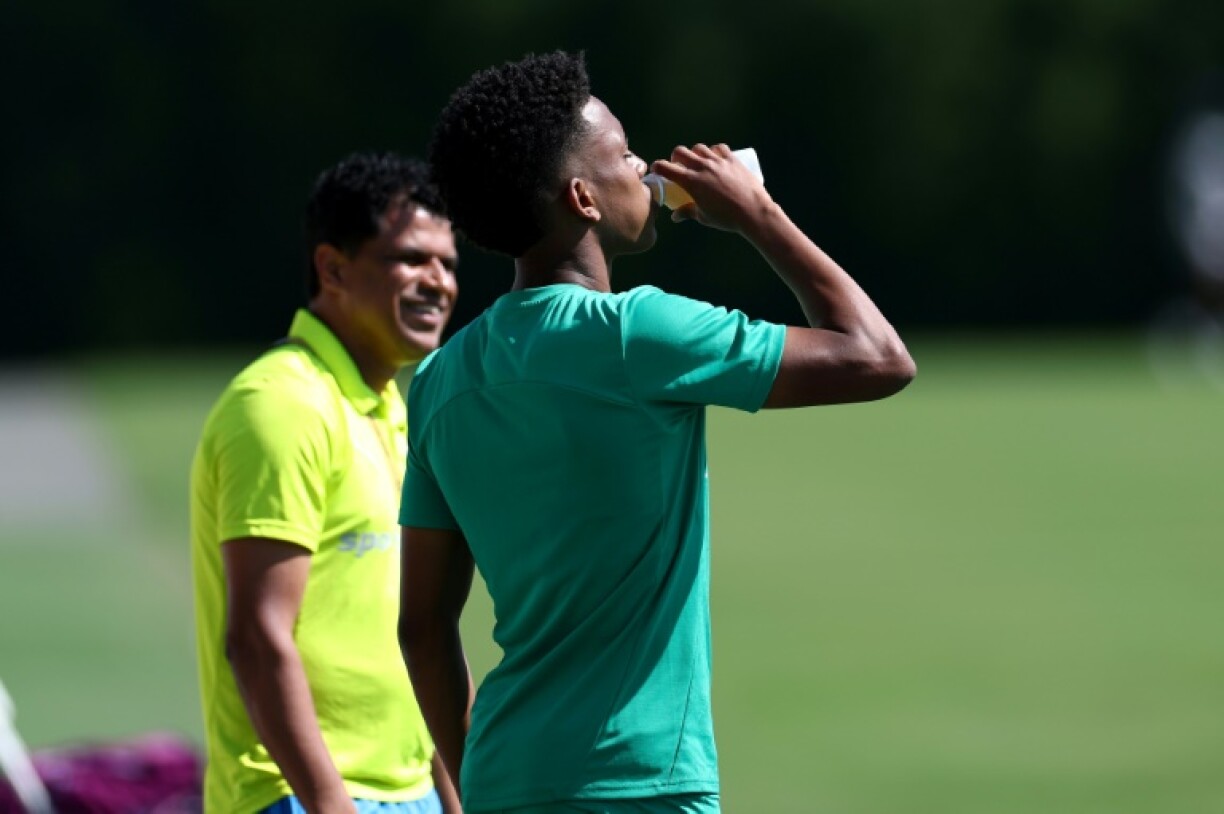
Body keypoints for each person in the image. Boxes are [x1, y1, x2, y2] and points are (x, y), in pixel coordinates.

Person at [397, 51, 915, 814]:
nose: (643, 167)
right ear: (583, 198)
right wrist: (759, 215)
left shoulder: (441, 381)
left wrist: (480, 779)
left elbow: (422, 626)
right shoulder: (639, 332)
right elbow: (878, 357)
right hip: (639, 782)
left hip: (504, 774)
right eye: (624, 154)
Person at [190, 151, 462, 814]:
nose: (437, 282)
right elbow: (258, 638)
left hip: (409, 792)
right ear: (333, 268)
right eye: (410, 259)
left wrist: (455, 792)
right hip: (300, 797)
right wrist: (330, 805)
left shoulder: (394, 411)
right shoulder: (281, 405)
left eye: (448, 264)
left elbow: (419, 636)